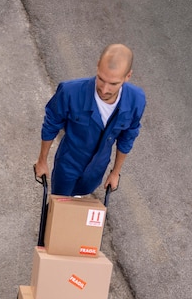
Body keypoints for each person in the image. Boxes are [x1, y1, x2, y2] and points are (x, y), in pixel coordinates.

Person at [34, 43, 146, 196]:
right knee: (59, 202)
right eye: (101, 79)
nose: (104, 89)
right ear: (98, 65)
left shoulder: (136, 100)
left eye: (113, 84)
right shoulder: (70, 92)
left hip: (97, 169)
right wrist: (42, 161)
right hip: (68, 163)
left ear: (128, 76)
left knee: (81, 198)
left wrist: (115, 173)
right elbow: (51, 125)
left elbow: (128, 137)